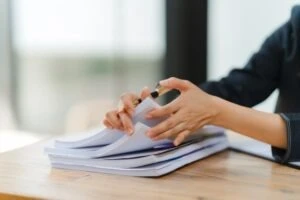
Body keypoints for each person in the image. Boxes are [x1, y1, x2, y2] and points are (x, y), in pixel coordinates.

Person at [103, 6, 300, 164]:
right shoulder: (292, 31)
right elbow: (236, 88)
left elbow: (216, 106)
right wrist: (151, 112)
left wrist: (217, 111)